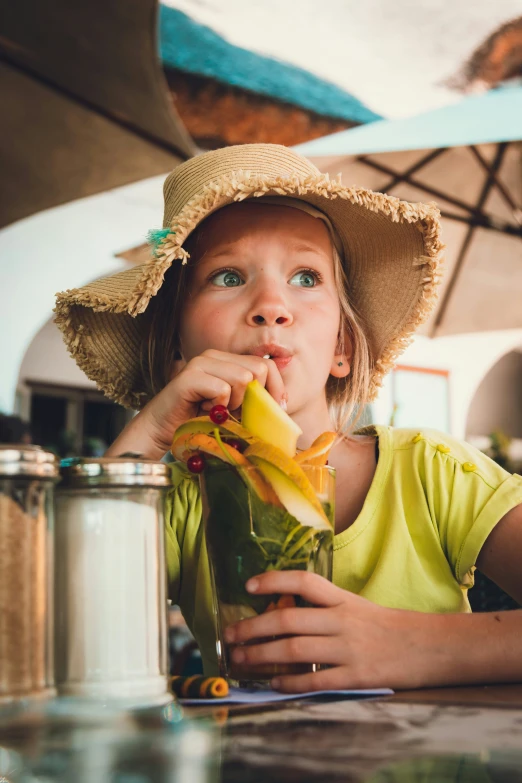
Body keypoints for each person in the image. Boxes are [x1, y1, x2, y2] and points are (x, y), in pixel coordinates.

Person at [55, 144, 522, 692]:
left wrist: (414, 645)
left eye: (305, 277)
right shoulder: (182, 498)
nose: (272, 304)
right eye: (227, 277)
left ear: (343, 345)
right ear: (178, 352)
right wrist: (150, 430)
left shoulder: (435, 475)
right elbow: (57, 628)